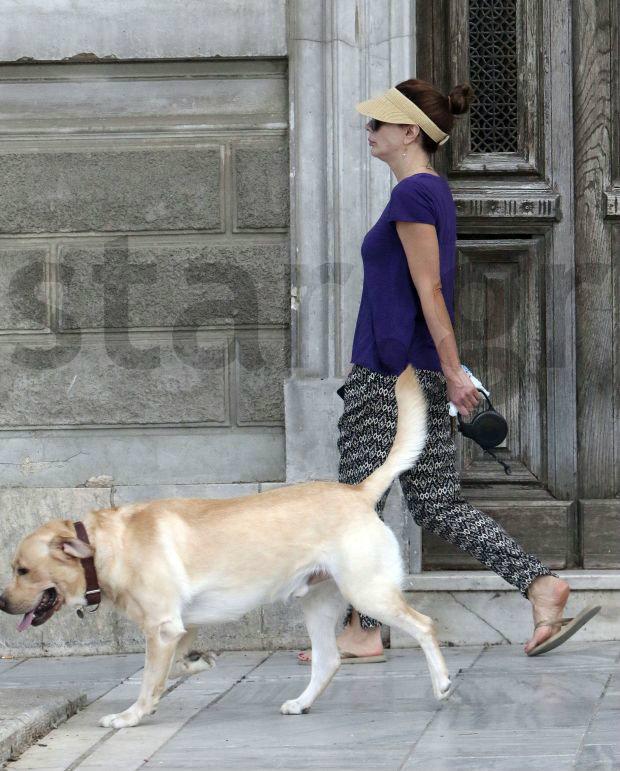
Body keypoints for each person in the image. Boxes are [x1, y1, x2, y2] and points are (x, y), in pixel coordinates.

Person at [298, 78, 598, 664]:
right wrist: (444, 371)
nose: (370, 130)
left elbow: (430, 289)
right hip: (414, 371)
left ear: (410, 132)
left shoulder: (413, 196)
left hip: (389, 373)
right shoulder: (430, 192)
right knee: (433, 503)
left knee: (355, 503)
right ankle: (540, 585)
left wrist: (455, 372)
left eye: (379, 123)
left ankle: (362, 630)